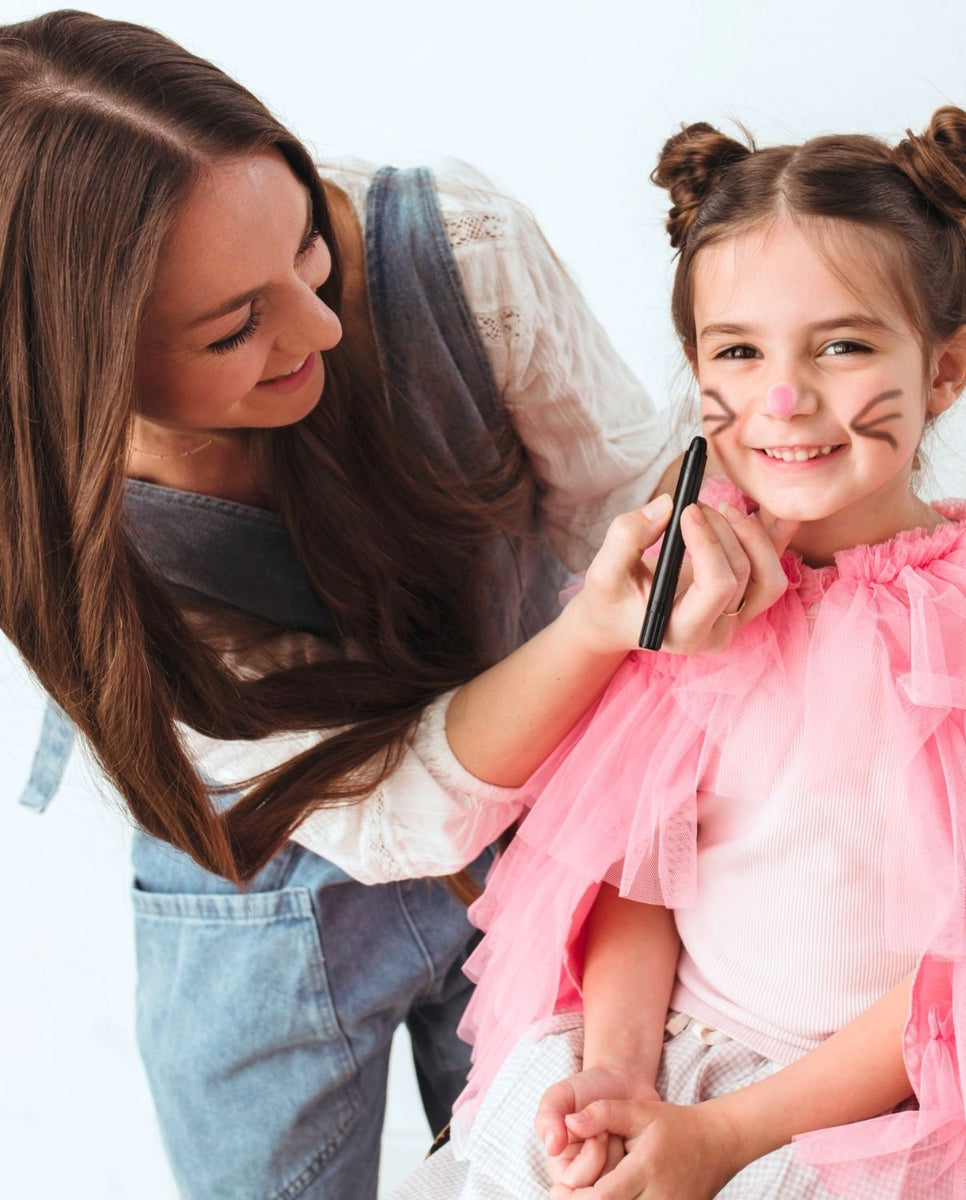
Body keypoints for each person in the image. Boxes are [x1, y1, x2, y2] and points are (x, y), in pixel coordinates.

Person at [0, 11, 796, 1198]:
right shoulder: (58, 530)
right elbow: (395, 814)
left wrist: (709, 551)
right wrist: (592, 627)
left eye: (308, 244)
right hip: (257, 892)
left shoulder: (452, 246)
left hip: (546, 837)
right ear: (82, 364)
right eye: (235, 326)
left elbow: (623, 489)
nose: (320, 325)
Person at [398, 107, 966, 1199]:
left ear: (948, 367)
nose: (784, 399)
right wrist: (625, 1075)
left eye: (844, 345)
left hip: (864, 1111)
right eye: (740, 351)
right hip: (681, 1054)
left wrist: (726, 1138)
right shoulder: (696, 598)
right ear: (697, 369)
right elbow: (637, 877)